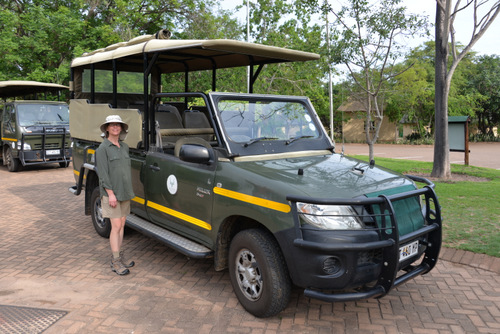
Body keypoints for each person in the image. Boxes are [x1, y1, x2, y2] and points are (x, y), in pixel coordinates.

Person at [96, 115, 135, 275]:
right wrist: (110, 194)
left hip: (124, 192)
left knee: (122, 225)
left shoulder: (124, 147)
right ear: (106, 128)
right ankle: (115, 261)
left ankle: (119, 256)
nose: (115, 127)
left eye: (117, 125)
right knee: (116, 226)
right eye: (112, 125)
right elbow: (103, 175)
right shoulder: (102, 149)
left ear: (121, 128)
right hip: (111, 194)